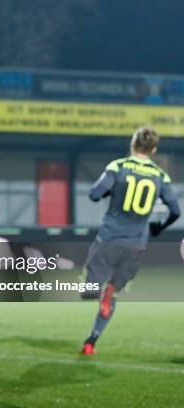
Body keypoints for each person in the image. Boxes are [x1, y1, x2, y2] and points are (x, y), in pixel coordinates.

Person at [81, 126, 180, 355]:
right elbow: (175, 210)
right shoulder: (160, 175)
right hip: (136, 243)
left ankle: (95, 291)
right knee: (112, 292)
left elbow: (95, 194)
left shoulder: (118, 167)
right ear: (154, 149)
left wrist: (111, 191)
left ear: (132, 143)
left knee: (90, 288)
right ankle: (91, 342)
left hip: (109, 239)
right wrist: (159, 227)